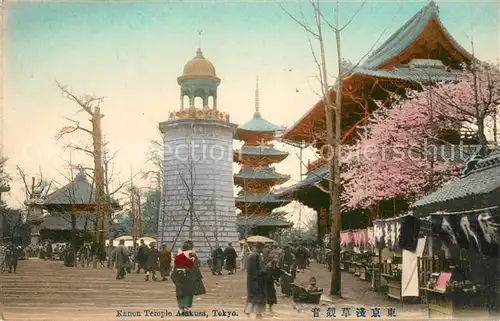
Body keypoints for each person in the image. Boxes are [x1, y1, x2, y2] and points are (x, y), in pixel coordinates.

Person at [171, 241, 206, 313]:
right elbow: (195, 267)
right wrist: (197, 277)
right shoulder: (192, 256)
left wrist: (174, 277)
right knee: (189, 293)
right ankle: (187, 307)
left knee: (180, 292)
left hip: (179, 277)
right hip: (189, 277)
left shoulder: (178, 255)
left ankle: (181, 307)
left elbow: (175, 267)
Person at [244, 242, 267, 319]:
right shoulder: (257, 256)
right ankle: (258, 314)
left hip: (251, 279)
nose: (263, 250)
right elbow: (260, 270)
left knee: (252, 296)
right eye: (262, 248)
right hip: (258, 280)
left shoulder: (250, 255)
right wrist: (266, 270)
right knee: (259, 298)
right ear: (260, 247)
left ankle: (248, 311)